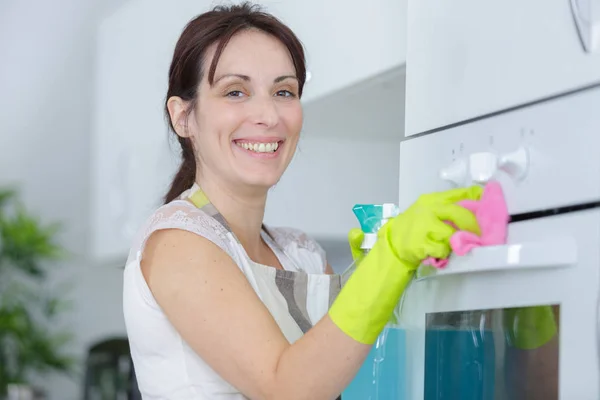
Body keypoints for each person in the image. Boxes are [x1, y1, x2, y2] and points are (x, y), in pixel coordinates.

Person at [122, 2, 482, 399]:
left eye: (284, 91)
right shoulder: (179, 242)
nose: (268, 114)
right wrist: (390, 260)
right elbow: (287, 388)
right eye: (235, 91)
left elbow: (362, 383)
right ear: (183, 116)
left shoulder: (301, 254)